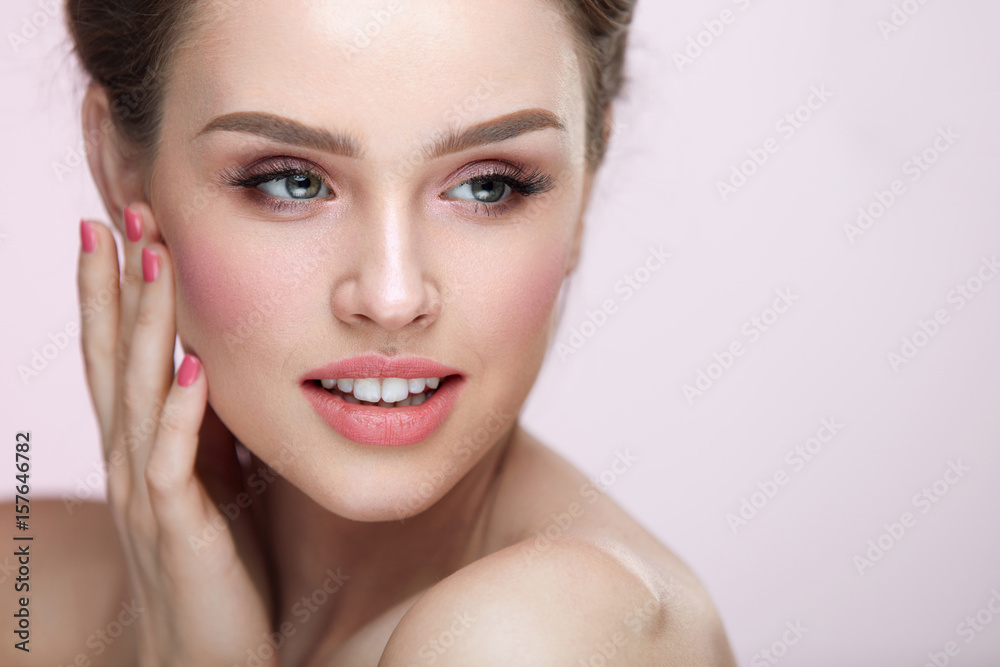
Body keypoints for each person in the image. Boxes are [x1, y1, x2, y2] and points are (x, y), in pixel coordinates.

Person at [3, 0, 737, 664]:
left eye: (488, 184)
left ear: (586, 183)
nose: (391, 296)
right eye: (293, 180)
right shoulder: (26, 579)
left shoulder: (534, 637)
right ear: (125, 170)